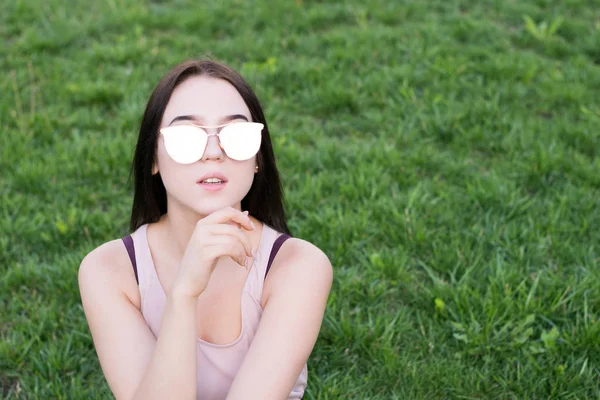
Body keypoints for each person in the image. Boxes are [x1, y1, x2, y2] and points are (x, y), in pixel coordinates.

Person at [78, 59, 333, 400]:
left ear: (258, 156)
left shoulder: (299, 267)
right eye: (186, 137)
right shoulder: (108, 270)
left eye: (237, 134)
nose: (214, 151)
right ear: (153, 157)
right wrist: (185, 293)